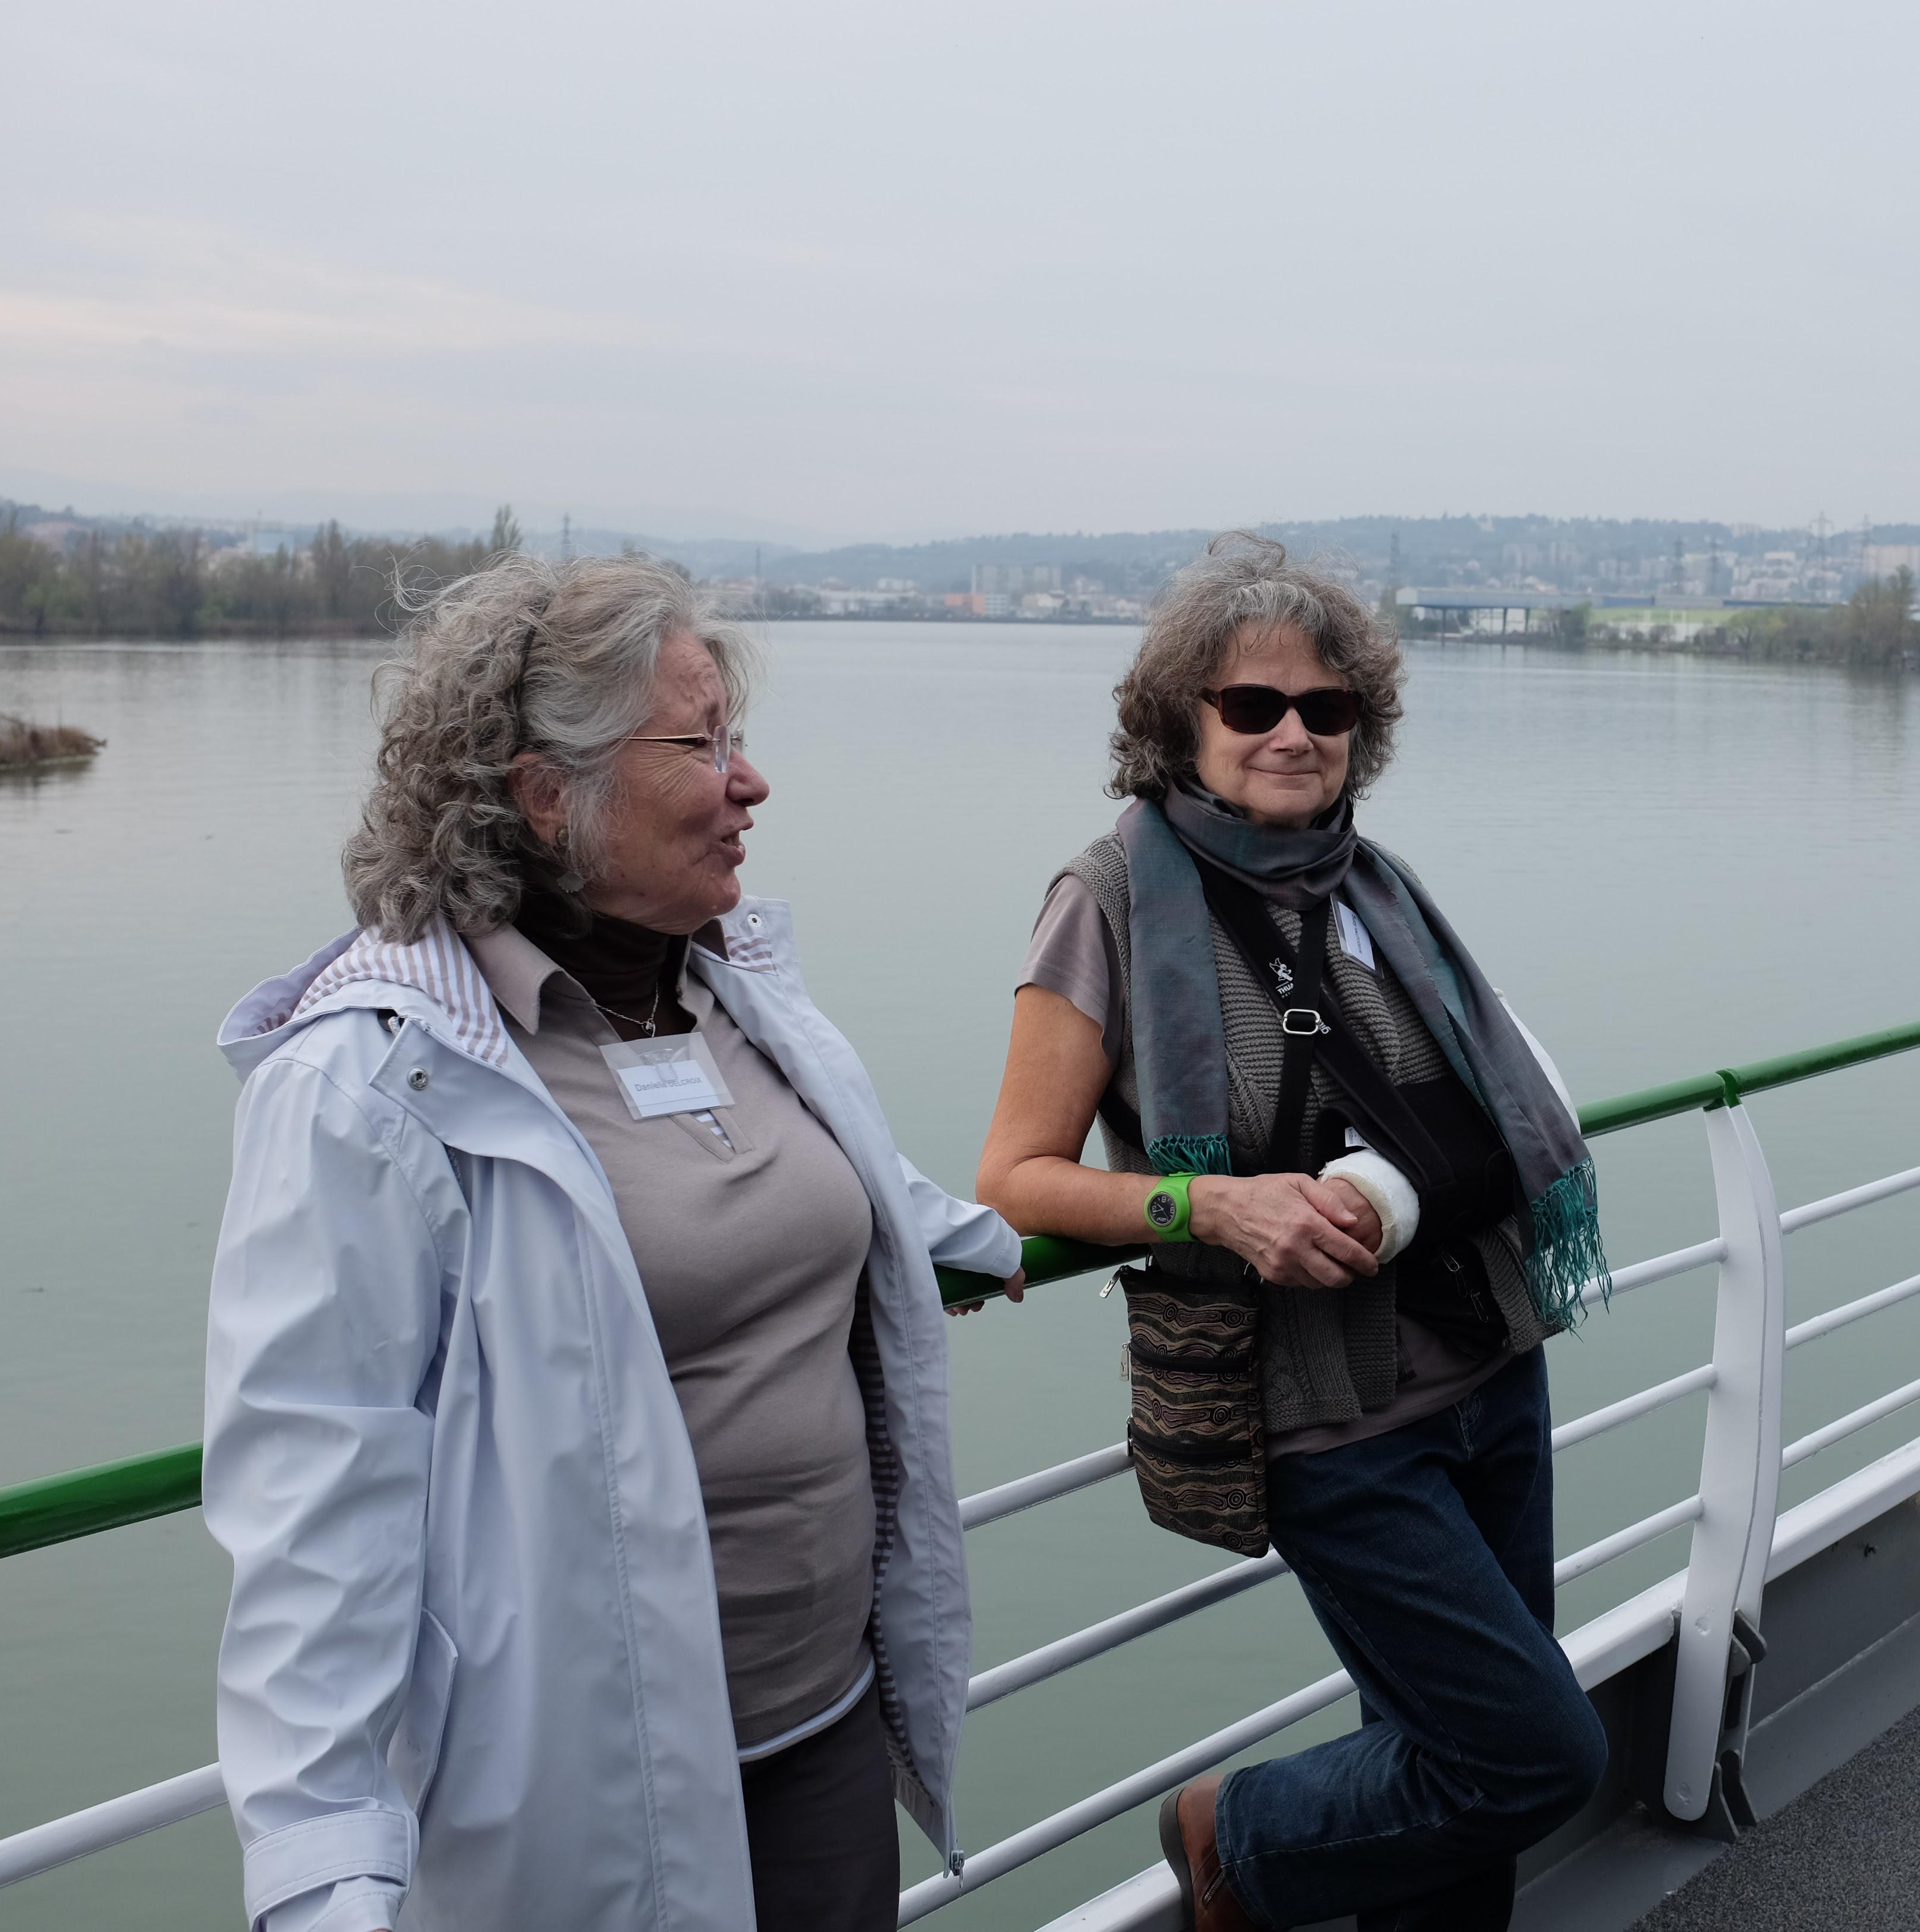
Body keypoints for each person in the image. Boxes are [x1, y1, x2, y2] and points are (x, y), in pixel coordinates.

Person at [203, 553, 1024, 1932]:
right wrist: (323, 1880)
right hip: (589, 1788)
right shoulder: (372, 1081)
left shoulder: (730, 994)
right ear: (546, 792)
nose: (751, 783)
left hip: (824, 1720)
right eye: (701, 745)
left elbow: (825, 1175)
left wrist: (970, 1235)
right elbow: (314, 1495)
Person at [976, 534, 1608, 1931]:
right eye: (1253, 704)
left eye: (1327, 708)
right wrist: (1209, 1204)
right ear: (1181, 723)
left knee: (1456, 1769)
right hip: (1331, 1421)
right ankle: (1234, 1834)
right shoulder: (1107, 904)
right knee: (1531, 1753)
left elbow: (1486, 1105)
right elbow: (1015, 1180)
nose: (1294, 734)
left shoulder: (1376, 886)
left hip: (1493, 1365)